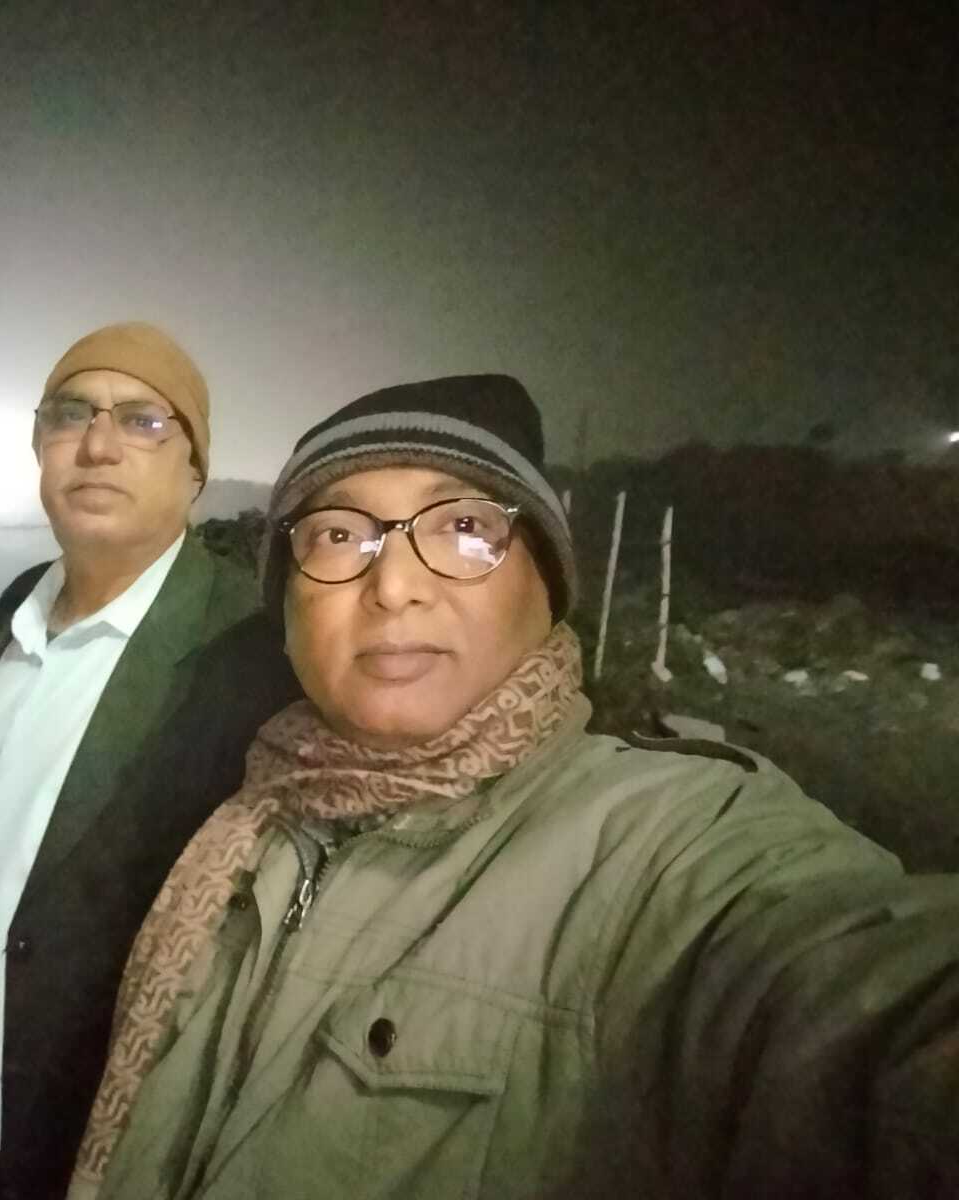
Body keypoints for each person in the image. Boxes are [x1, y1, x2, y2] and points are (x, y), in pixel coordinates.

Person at [71, 375, 959, 1199]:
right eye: (338, 535)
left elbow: (855, 998)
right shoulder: (240, 831)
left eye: (464, 527)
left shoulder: (665, 843)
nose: (394, 586)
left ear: (548, 581)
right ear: (288, 607)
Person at [0, 322, 299, 1199]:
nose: (97, 445)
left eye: (142, 421)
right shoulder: (16, 606)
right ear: (38, 446)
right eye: (70, 415)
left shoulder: (246, 651)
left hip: (62, 1161)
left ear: (196, 470)